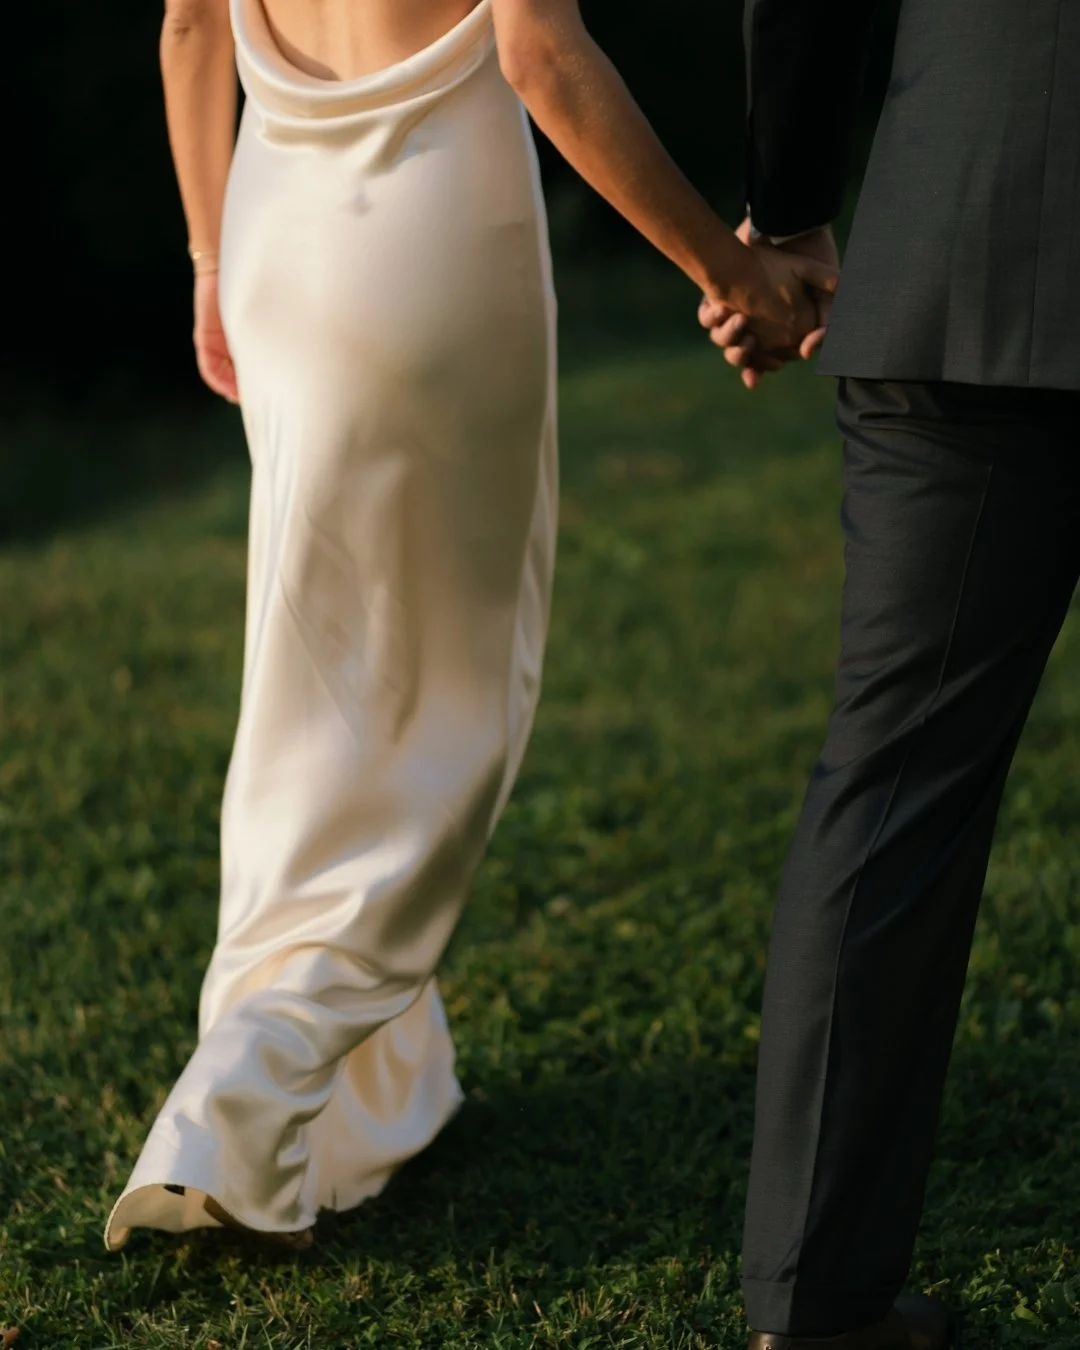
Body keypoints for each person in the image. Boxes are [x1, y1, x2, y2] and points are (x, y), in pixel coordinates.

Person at [105, 0, 834, 1251]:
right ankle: (235, 1101)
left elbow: (187, 29)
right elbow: (539, 50)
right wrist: (731, 271)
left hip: (275, 229)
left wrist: (209, 260)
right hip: (428, 250)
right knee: (448, 708)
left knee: (313, 690)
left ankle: (354, 1095)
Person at [703, 1, 1080, 1347]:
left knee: (892, 783)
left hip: (959, 237)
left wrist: (789, 205)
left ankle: (809, 1306)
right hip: (952, 259)